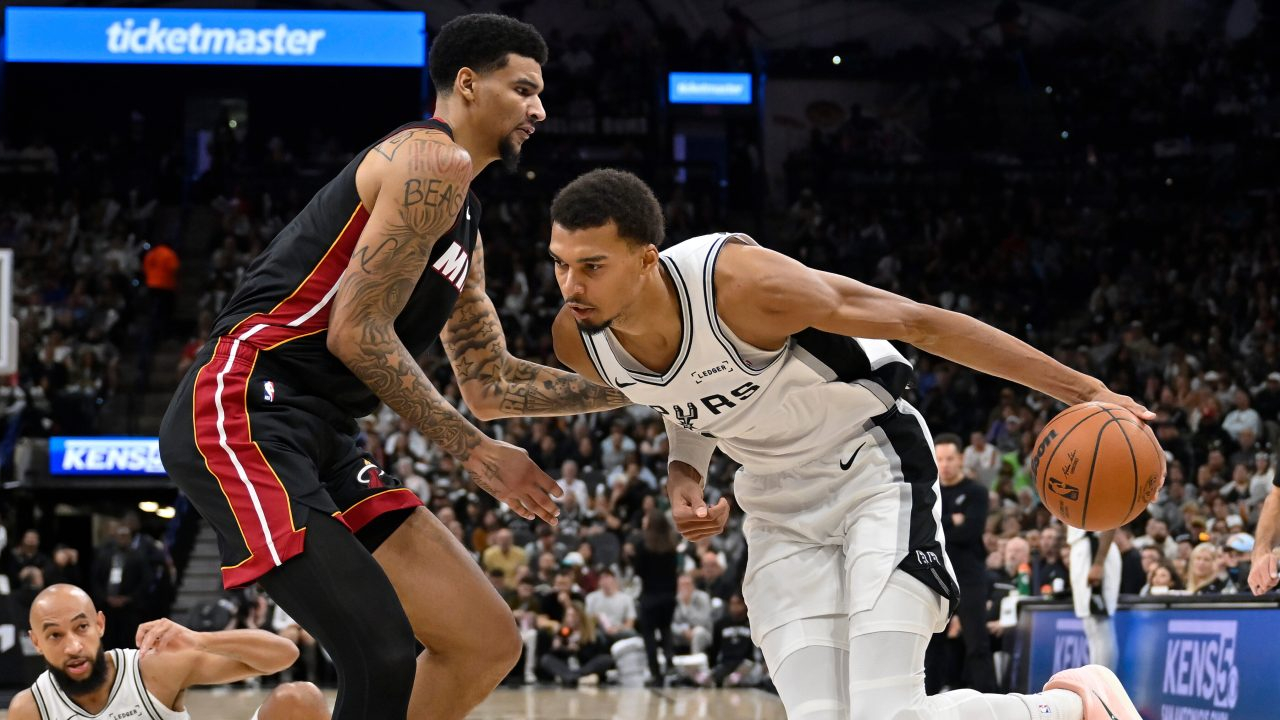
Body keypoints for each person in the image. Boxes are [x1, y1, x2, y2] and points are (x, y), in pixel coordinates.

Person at [546, 168, 1161, 720]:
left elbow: (919, 321)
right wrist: (685, 473)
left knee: (887, 715)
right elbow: (680, 397)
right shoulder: (580, 341)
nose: (571, 285)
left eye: (592, 266)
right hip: (775, 507)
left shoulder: (743, 286)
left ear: (649, 259)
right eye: (560, 264)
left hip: (871, 466)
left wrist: (1082, 389)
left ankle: (1070, 707)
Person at [155, 15, 627, 720]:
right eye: (523, 88)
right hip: (246, 404)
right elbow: (355, 332)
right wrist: (473, 452)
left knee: (483, 640)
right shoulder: (431, 161)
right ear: (467, 84)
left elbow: (491, 382)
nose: (540, 109)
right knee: (378, 650)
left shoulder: (463, 212)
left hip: (321, 429)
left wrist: (642, 385)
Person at [7, 584, 327, 720]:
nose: (73, 646)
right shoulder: (31, 709)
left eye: (81, 628)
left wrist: (201, 640)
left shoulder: (150, 668)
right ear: (36, 642)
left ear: (100, 625)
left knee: (300, 699)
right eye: (55, 635)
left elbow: (285, 655)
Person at [925, 434, 996, 693]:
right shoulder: (928, 491)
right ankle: (927, 704)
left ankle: (992, 703)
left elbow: (970, 531)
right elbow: (922, 530)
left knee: (977, 643)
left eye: (950, 459)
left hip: (969, 575)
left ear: (961, 459)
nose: (944, 465)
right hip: (936, 574)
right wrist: (951, 520)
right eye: (940, 459)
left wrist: (940, 525)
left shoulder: (976, 491)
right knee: (932, 644)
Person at [629, 506, 680, 685]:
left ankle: (656, 674)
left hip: (650, 596)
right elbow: (675, 573)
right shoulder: (672, 544)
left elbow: (638, 571)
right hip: (669, 596)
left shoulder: (642, 544)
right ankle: (670, 662)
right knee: (666, 630)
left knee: (649, 636)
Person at [1066, 528, 1120, 669]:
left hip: (1095, 550)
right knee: (1091, 625)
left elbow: (1111, 521)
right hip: (1083, 549)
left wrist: (1098, 563)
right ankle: (1095, 683)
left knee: (1100, 624)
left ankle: (1103, 685)